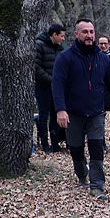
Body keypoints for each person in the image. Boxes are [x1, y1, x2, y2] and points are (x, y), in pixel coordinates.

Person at [52, 18, 110, 201]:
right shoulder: (65, 57)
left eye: (91, 32)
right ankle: (81, 173)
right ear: (76, 34)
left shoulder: (102, 59)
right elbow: (57, 84)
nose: (89, 35)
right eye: (85, 32)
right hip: (73, 113)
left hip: (96, 112)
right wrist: (61, 109)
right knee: (76, 149)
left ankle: (96, 185)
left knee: (96, 148)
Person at [33, 23, 66, 153]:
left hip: (56, 89)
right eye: (61, 36)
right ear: (54, 35)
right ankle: (45, 144)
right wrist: (51, 80)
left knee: (55, 115)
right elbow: (36, 67)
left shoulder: (60, 48)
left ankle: (55, 143)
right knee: (43, 115)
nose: (63, 39)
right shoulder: (39, 45)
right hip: (43, 87)